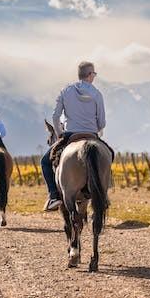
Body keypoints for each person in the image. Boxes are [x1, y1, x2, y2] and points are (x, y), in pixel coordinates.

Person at [41, 61, 106, 211]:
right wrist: (95, 129)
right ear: (89, 75)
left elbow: (55, 117)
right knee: (109, 155)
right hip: (92, 135)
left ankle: (54, 196)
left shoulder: (65, 91)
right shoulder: (97, 94)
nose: (94, 77)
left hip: (70, 134)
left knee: (45, 162)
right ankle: (102, 193)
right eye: (94, 74)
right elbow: (102, 122)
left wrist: (59, 135)